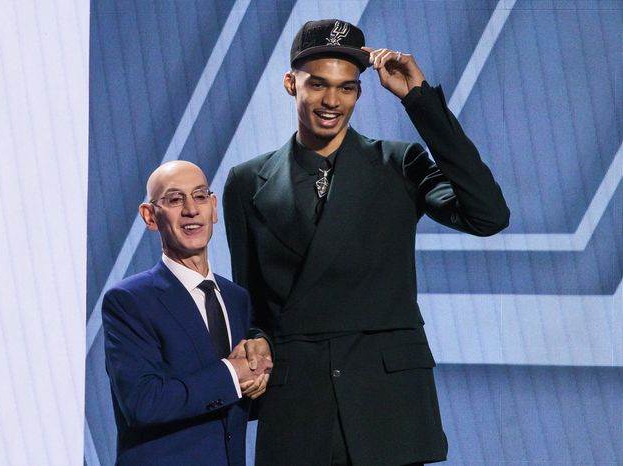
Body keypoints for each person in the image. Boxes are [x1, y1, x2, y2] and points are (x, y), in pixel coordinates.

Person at [223, 19, 510, 466]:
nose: (331, 101)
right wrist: (256, 339)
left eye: (347, 88)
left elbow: (488, 216)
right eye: (317, 84)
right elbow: (252, 301)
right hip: (298, 405)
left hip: (387, 404)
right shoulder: (245, 182)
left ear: (359, 91)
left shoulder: (399, 163)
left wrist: (420, 103)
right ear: (289, 83)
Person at [102, 160, 273, 466]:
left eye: (200, 196)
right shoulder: (129, 300)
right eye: (175, 199)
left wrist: (259, 377)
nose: (191, 210)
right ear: (150, 216)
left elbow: (232, 402)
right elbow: (144, 402)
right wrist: (233, 374)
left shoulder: (236, 298)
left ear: (214, 207)